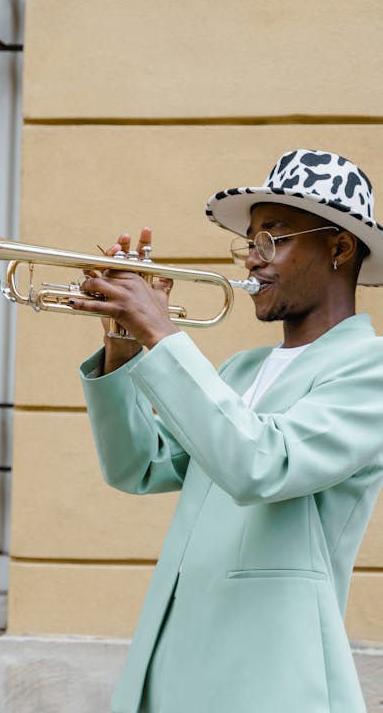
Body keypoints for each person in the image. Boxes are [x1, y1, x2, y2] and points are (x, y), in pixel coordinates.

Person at [72, 149, 383, 713]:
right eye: (251, 242)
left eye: (275, 239)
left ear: (339, 247)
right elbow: (136, 467)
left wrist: (164, 337)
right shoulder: (239, 371)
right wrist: (123, 346)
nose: (253, 261)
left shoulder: (370, 369)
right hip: (173, 665)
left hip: (273, 677)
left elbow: (262, 465)